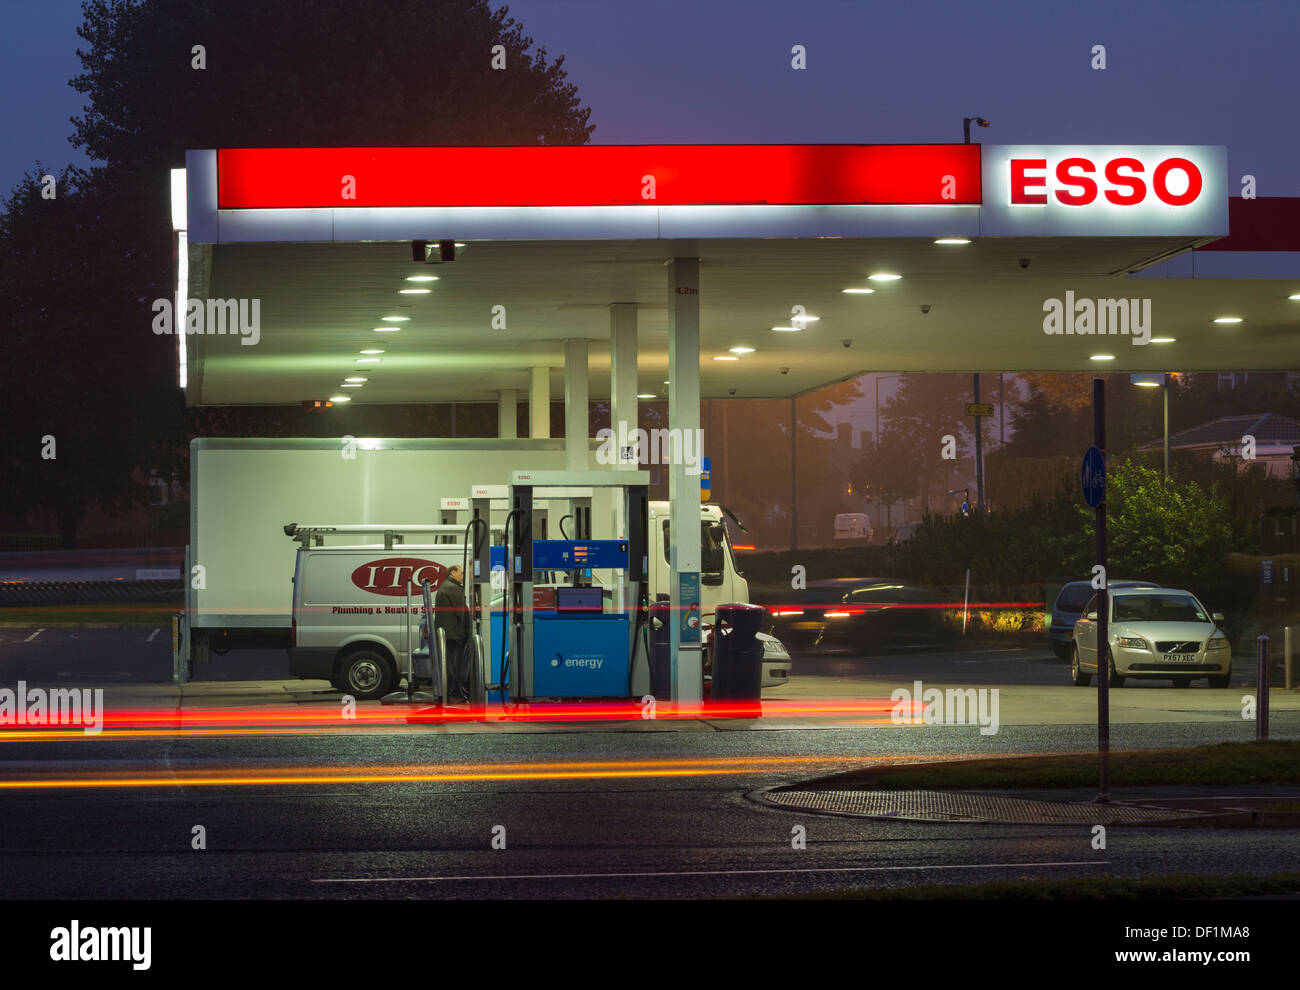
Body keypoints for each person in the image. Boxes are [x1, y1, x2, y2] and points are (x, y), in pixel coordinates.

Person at [434, 565, 470, 700]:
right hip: (453, 635)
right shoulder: (453, 588)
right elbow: (462, 612)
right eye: (461, 573)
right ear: (453, 573)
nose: (462, 576)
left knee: (448, 665)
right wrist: (469, 629)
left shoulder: (445, 586)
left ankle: (447, 693)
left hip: (447, 634)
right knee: (454, 666)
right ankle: (454, 694)